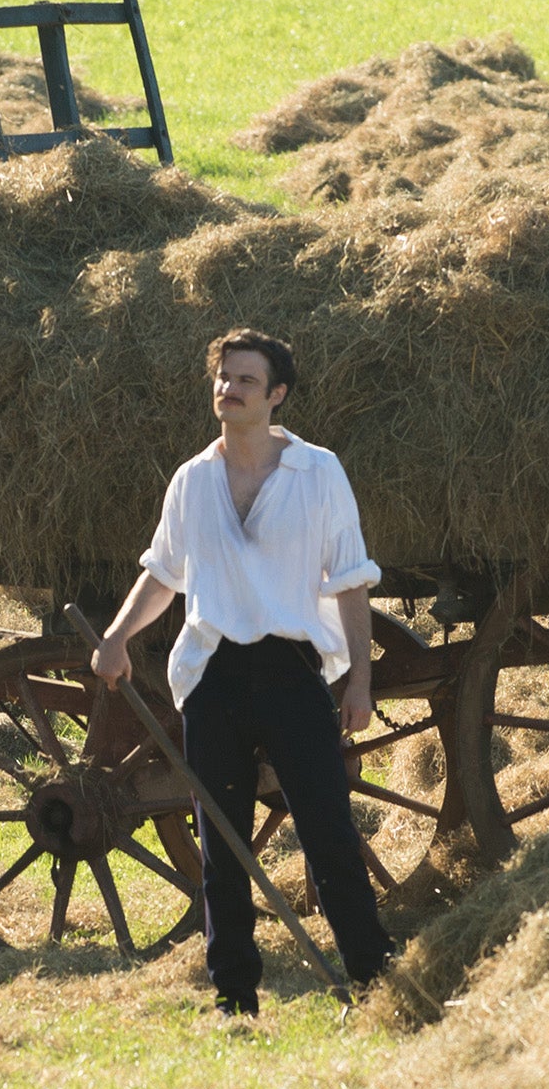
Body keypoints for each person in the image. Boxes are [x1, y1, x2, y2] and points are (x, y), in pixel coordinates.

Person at [92, 328, 396, 1016]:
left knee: (327, 830)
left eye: (245, 381)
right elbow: (163, 574)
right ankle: (234, 996)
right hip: (215, 676)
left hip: (291, 672)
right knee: (220, 844)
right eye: (223, 378)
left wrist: (359, 681)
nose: (228, 389)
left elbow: (350, 581)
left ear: (277, 394)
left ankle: (374, 979)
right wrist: (116, 637)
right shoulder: (193, 479)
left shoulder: (318, 473)